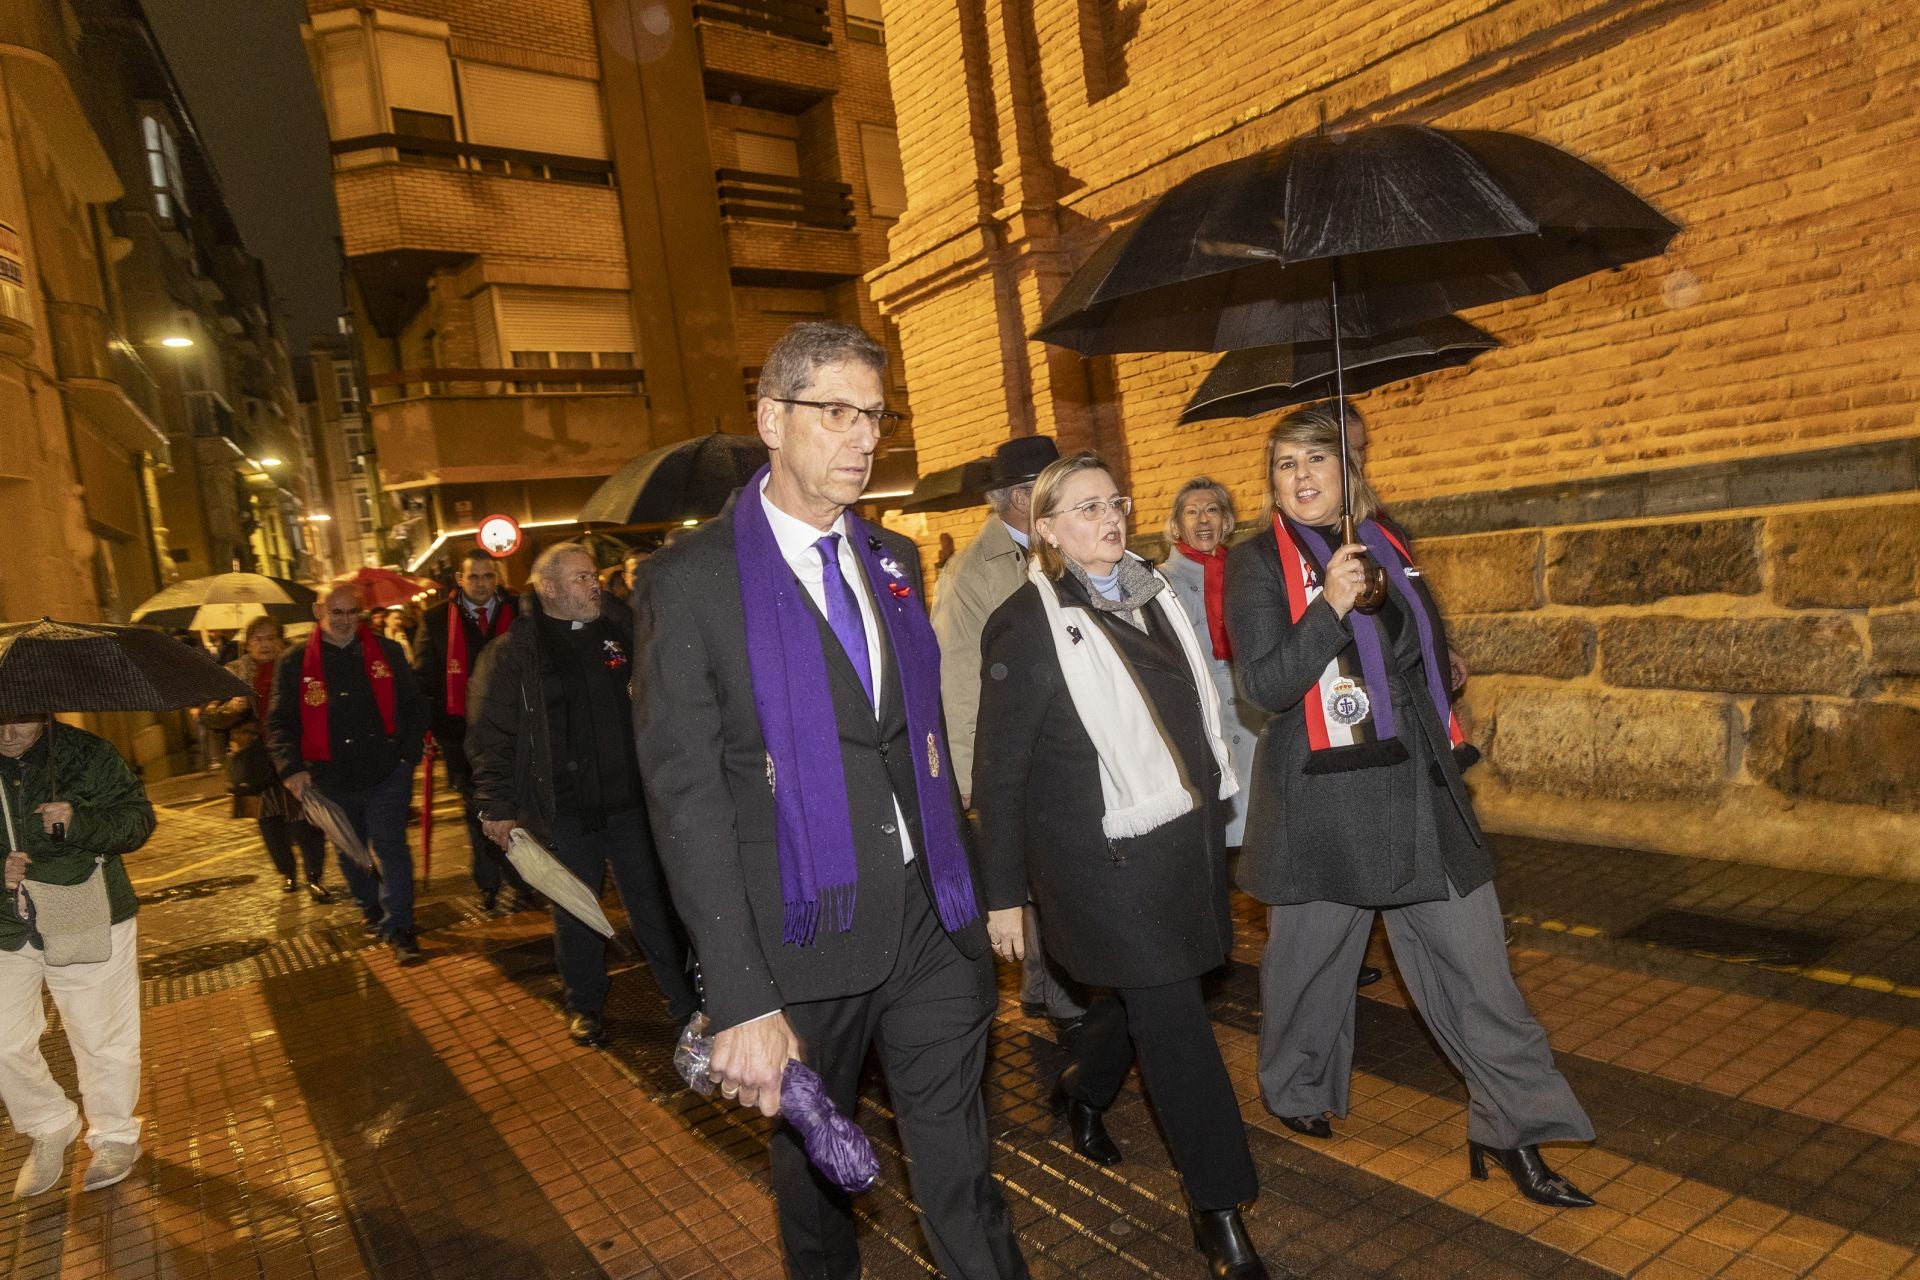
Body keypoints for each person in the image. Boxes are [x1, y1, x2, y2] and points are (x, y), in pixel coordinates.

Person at [634, 321, 1026, 1280]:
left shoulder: (891, 558)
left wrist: (983, 884)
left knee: (961, 1171)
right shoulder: (689, 584)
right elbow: (686, 800)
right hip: (804, 933)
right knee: (815, 1191)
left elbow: (913, 738)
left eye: (875, 418)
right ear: (772, 418)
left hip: (930, 917)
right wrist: (737, 996)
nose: (862, 439)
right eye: (837, 413)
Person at [1225, 406, 1595, 1207]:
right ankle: (1296, 1087)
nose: (1300, 477)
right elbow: (1264, 685)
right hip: (1326, 796)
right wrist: (1327, 604)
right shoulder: (1254, 561)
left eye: (1315, 460)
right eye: (1284, 464)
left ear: (1349, 468)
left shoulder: (1387, 540)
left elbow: (1415, 634)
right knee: (1307, 965)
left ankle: (1514, 1132)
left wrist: (1437, 654)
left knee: (1479, 971)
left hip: (1421, 787)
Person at [975, 454, 1267, 1280]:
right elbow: (999, 774)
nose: (1109, 518)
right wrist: (1005, 898)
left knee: (1151, 995)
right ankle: (1220, 1207)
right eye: (1086, 507)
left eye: (1116, 502)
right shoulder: (1026, 623)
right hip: (1099, 861)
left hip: (1180, 837)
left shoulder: (1157, 595)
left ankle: (1083, 1085)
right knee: (1176, 1020)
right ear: (1049, 530)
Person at [466, 542, 698, 1047]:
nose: (593, 585)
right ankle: (585, 1005)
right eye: (579, 579)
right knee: (575, 911)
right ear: (548, 588)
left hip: (632, 805)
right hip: (565, 811)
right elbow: (490, 736)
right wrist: (497, 806)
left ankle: (685, 1005)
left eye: (593, 576)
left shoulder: (625, 633)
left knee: (655, 908)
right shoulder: (515, 654)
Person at [1163, 480, 1385, 993]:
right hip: (1206, 724)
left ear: (1228, 520)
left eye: (1214, 510)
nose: (1203, 519)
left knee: (1267, 845)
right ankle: (1209, 957)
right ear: (1174, 525)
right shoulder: (1160, 583)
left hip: (1256, 718)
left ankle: (1312, 951)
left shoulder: (1257, 566)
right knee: (1209, 849)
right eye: (1192, 512)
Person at [930, 435, 1086, 1034]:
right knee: (1037, 875)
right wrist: (972, 778)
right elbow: (957, 678)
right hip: (1018, 756)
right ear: (1023, 497)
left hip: (1072, 743)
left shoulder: (1067, 545)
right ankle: (1068, 1006)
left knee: (1055, 874)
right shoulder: (972, 573)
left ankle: (1050, 990)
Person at [0, 714, 154, 1198]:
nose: (7, 735)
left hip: (85, 909)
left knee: (99, 1033)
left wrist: (80, 821)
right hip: (7, 923)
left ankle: (113, 1134)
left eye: (20, 723)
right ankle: (49, 1122)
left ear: (44, 713)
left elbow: (137, 821)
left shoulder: (87, 753)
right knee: (3, 1039)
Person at [268, 584, 429, 962]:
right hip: (329, 777)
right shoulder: (294, 663)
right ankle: (370, 908)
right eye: (336, 612)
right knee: (351, 850)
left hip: (386, 771)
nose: (344, 621)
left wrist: (407, 757)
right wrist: (290, 768)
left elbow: (414, 704)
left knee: (391, 846)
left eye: (351, 612)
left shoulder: (386, 653)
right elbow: (279, 721)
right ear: (318, 611)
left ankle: (400, 925)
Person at [411, 550, 535, 911]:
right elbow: (424, 679)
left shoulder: (520, 609)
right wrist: (427, 729)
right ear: (460, 581)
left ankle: (523, 876)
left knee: (521, 806)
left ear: (497, 578)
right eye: (474, 577)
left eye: (487, 576)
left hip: (518, 728)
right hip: (461, 734)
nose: (481, 584)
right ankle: (490, 882)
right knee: (478, 809)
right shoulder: (435, 620)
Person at [202, 617, 330, 900]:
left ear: (281, 641)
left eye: (271, 638)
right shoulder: (233, 672)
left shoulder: (297, 667)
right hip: (254, 760)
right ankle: (287, 873)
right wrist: (233, 709)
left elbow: (319, 704)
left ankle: (314, 876)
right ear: (247, 644)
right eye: (258, 639)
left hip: (293, 755)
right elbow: (209, 715)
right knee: (269, 822)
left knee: (304, 820)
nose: (265, 644)